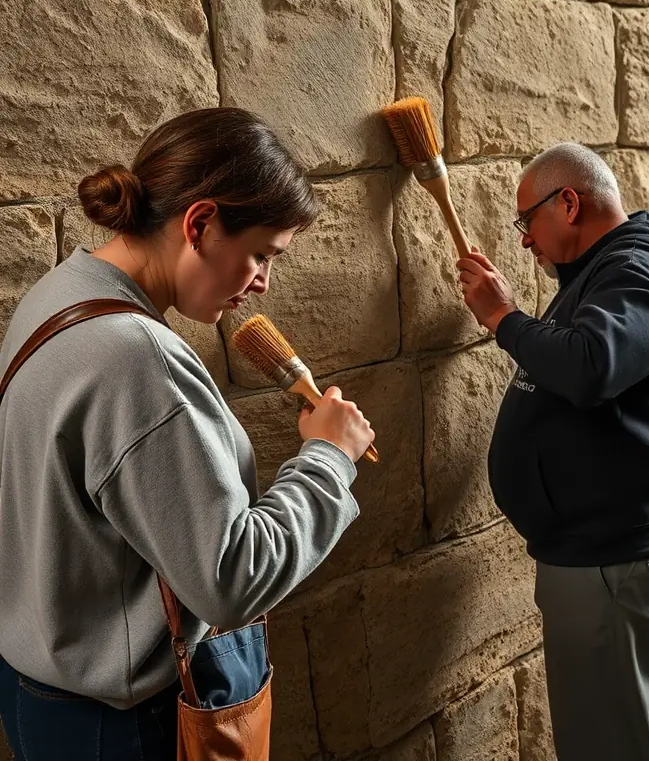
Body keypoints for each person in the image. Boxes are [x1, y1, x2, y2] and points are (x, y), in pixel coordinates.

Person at [0, 107, 375, 761]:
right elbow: (231, 579)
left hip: (41, 694)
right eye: (260, 253)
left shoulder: (58, 293)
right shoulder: (137, 361)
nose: (262, 282)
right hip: (123, 728)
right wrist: (328, 458)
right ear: (200, 223)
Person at [457, 142, 649, 761]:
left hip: (612, 562)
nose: (524, 240)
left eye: (527, 221)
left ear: (569, 203)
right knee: (648, 736)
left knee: (607, 747)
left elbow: (588, 364)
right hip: (619, 556)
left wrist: (503, 317)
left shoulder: (636, 273)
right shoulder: (611, 271)